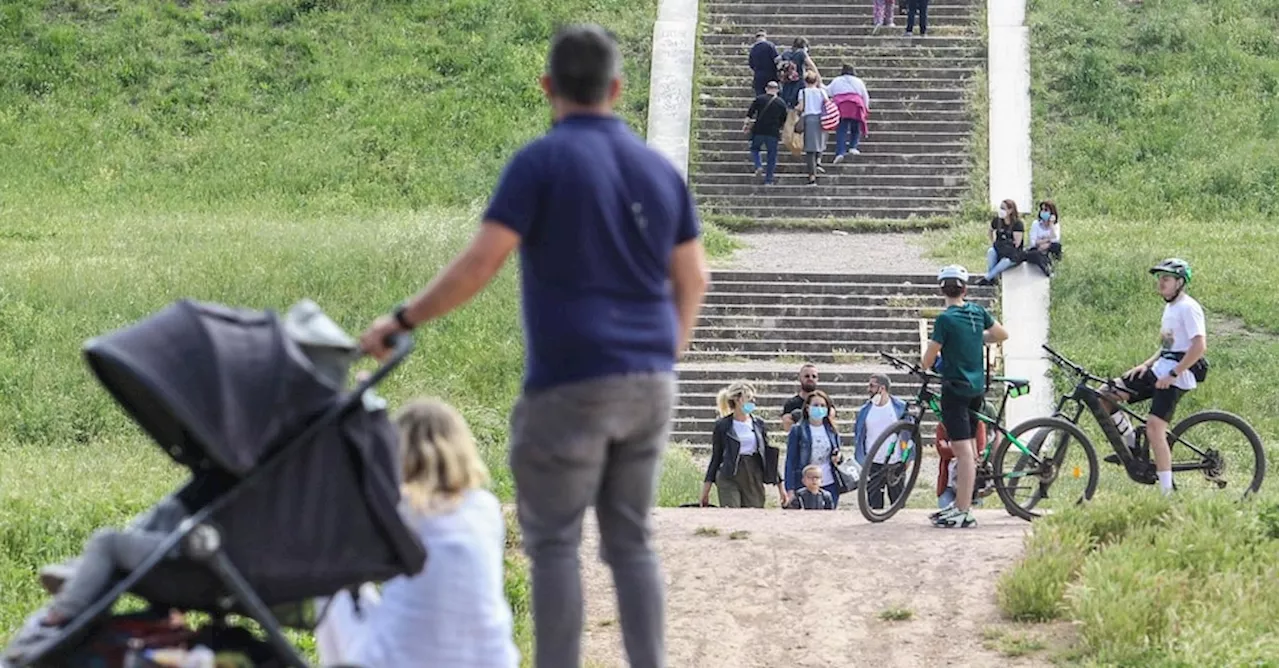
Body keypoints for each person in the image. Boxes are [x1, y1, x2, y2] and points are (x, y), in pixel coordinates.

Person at [359, 24, 710, 668]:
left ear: (547, 85)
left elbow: (481, 262)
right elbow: (694, 277)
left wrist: (402, 318)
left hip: (569, 382)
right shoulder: (659, 171)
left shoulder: (541, 162)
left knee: (553, 544)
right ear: (618, 88)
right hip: (650, 382)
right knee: (631, 543)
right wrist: (667, 355)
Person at [314, 398, 519, 668]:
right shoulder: (486, 508)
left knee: (331, 581)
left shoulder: (400, 512)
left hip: (398, 661)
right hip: (491, 661)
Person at [1099, 259, 1206, 496]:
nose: (1161, 283)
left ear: (1179, 282)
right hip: (1159, 369)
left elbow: (1199, 347)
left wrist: (1173, 373)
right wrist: (1145, 365)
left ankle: (1167, 493)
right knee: (1104, 395)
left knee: (1155, 429)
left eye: (1166, 279)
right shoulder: (1170, 308)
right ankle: (1131, 445)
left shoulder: (1189, 308)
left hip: (1178, 375)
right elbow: (1167, 345)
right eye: (1160, 279)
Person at [921, 265, 1008, 528]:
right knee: (969, 447)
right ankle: (961, 505)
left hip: (955, 390)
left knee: (963, 451)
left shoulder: (945, 320)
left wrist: (925, 364)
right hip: (976, 388)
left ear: (941, 289)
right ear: (965, 289)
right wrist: (976, 338)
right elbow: (1002, 334)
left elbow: (928, 359)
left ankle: (962, 510)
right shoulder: (977, 311)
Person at [701, 381, 786, 508]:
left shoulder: (758, 424)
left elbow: (767, 455)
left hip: (753, 472)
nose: (753, 402)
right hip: (729, 474)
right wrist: (706, 490)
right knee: (732, 512)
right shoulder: (723, 426)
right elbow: (716, 457)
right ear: (737, 400)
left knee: (754, 512)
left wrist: (780, 487)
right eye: (749, 399)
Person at [853, 373, 912, 510]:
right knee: (874, 503)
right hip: (873, 464)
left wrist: (907, 458)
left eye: (872, 386)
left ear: (882, 388)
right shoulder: (865, 410)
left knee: (898, 504)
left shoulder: (900, 408)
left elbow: (908, 434)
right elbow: (859, 435)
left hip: (895, 462)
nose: (869, 389)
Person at [783, 390, 845, 507]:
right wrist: (790, 489)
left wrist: (838, 457)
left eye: (823, 405)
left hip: (829, 482)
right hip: (805, 484)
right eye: (816, 405)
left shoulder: (832, 430)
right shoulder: (798, 430)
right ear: (807, 408)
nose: (819, 408)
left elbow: (838, 453)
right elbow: (790, 460)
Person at [744, 80, 789, 185]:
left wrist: (746, 125)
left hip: (759, 130)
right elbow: (784, 120)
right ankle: (769, 180)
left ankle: (758, 165)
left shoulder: (759, 99)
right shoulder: (781, 103)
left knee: (754, 149)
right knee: (771, 156)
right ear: (777, 90)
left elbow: (750, 113)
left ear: (766, 89)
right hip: (773, 133)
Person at [827, 64, 870, 163]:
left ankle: (840, 152)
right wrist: (866, 108)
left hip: (841, 106)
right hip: (855, 105)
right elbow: (865, 95)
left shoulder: (837, 80)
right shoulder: (858, 81)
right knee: (855, 128)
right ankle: (853, 147)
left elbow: (828, 91)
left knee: (841, 130)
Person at [795, 72, 831, 186]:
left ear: (805, 81)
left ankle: (812, 176)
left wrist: (796, 110)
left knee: (810, 148)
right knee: (820, 143)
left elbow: (801, 107)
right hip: (821, 119)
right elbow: (827, 104)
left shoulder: (803, 92)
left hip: (809, 119)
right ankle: (818, 162)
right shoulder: (822, 91)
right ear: (816, 81)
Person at [978, 199, 1025, 286]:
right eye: (1000, 208)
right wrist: (993, 241)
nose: (1001, 210)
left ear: (1010, 210)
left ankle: (987, 278)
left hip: (1013, 253)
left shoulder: (1017, 224)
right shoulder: (997, 221)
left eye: (1003, 208)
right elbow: (990, 231)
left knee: (1005, 261)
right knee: (991, 252)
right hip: (999, 248)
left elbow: (1017, 243)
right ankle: (992, 278)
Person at [1023, 200, 1062, 277]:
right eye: (1042, 209)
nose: (1043, 212)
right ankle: (1047, 271)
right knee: (1036, 254)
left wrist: (1051, 224)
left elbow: (1055, 239)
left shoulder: (1055, 225)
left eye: (1046, 210)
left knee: (1057, 246)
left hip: (1047, 248)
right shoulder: (1036, 224)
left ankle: (1055, 265)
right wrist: (1047, 240)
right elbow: (1033, 242)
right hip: (1036, 250)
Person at [781, 363, 820, 432]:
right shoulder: (791, 404)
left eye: (814, 376)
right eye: (807, 376)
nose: (810, 379)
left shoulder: (824, 402)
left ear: (817, 379)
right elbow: (788, 427)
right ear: (800, 378)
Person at [747, 30, 780, 96]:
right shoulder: (770, 45)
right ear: (765, 37)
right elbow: (776, 60)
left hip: (758, 77)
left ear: (756, 38)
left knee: (760, 96)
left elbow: (751, 64)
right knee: (772, 95)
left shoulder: (753, 49)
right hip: (771, 75)